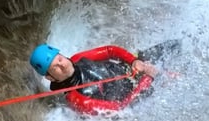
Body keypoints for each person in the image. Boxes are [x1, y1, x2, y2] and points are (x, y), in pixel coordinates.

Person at [29, 43, 159, 103]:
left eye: (59, 59)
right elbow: (118, 109)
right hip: (139, 93)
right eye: (55, 68)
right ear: (50, 77)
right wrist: (147, 80)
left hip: (134, 68)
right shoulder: (76, 98)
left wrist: (134, 61)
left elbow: (109, 50)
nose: (62, 64)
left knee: (170, 47)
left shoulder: (78, 58)